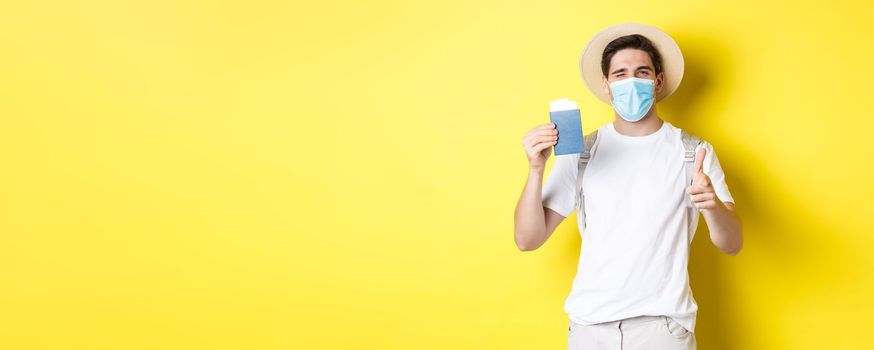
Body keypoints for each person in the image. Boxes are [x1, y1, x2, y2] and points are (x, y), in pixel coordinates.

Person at [513, 23, 743, 350]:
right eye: (620, 74)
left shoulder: (693, 151)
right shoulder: (582, 151)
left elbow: (732, 243)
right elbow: (527, 239)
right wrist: (536, 169)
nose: (631, 81)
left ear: (658, 81)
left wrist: (712, 205)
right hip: (590, 330)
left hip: (663, 332)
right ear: (606, 85)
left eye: (642, 72)